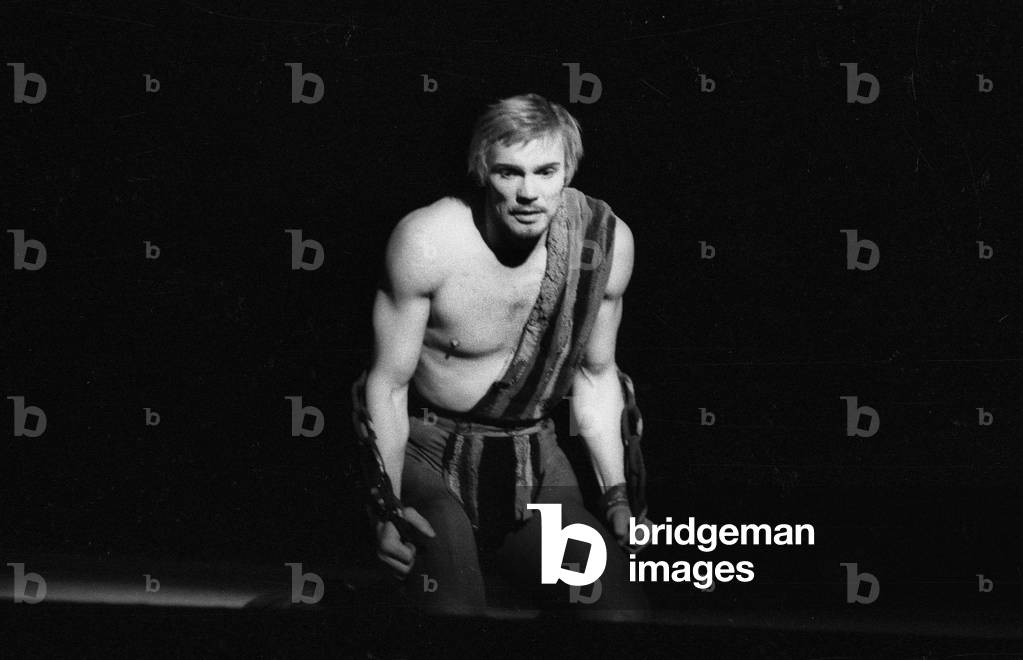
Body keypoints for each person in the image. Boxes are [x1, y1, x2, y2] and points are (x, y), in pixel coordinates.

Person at [352, 93, 650, 616]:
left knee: (618, 615)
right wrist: (385, 505)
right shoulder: (428, 241)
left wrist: (618, 496)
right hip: (429, 450)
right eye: (509, 172)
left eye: (546, 171)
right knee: (454, 617)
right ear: (482, 172)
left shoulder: (603, 244)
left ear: (568, 173)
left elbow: (598, 376)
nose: (529, 192)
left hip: (532, 459)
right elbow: (387, 384)